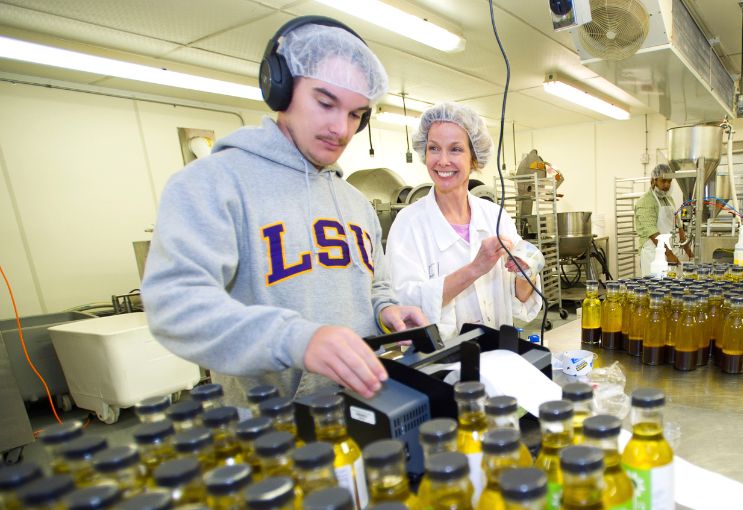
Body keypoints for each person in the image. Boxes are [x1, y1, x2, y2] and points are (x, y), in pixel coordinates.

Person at [142, 17, 425, 405]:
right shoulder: (213, 183)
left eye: (356, 114)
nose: (341, 129)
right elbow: (174, 305)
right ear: (281, 88)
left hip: (361, 408)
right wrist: (296, 339)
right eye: (325, 103)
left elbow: (374, 285)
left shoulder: (356, 203)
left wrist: (386, 310)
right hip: (268, 423)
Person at [383, 102, 542, 340]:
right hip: (443, 358)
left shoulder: (495, 216)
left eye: (455, 149)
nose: (443, 160)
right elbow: (404, 305)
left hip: (499, 351)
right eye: (434, 148)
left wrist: (526, 271)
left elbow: (520, 299)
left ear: (473, 158)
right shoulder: (408, 224)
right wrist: (475, 268)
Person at [633, 164, 692, 275]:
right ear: (654, 180)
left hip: (671, 250)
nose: (667, 185)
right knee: (656, 283)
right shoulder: (645, 201)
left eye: (669, 181)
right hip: (654, 254)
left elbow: (679, 227)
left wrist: (690, 253)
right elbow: (652, 232)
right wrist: (669, 254)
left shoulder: (669, 199)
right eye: (663, 181)